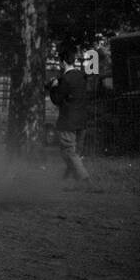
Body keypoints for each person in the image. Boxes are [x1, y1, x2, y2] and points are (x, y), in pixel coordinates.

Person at [46, 43, 90, 181]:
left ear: (63, 62)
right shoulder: (81, 76)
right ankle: (67, 179)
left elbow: (57, 100)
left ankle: (85, 179)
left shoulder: (65, 79)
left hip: (68, 120)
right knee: (75, 153)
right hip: (82, 119)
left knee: (68, 152)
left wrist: (53, 88)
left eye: (60, 62)